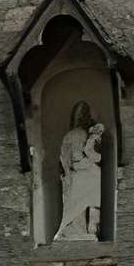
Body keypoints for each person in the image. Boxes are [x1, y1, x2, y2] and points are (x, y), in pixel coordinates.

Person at [53, 103, 106, 243]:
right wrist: (90, 162)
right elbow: (76, 159)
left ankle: (86, 228)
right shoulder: (78, 134)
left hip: (77, 174)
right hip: (77, 174)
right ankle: (79, 229)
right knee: (93, 179)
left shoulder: (80, 134)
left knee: (94, 179)